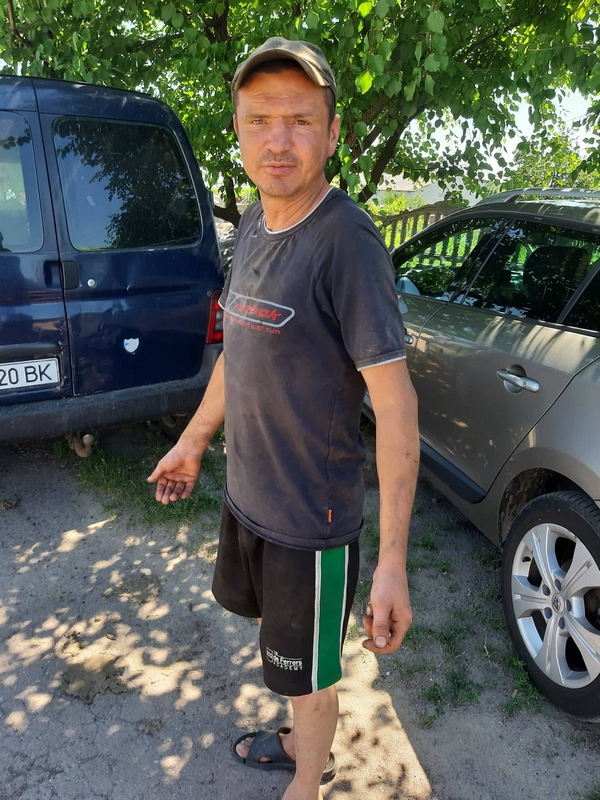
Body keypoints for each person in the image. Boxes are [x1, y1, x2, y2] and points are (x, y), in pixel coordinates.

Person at [148, 37, 419, 800]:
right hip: (250, 502)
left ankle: (307, 780)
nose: (278, 139)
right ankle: (304, 740)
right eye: (260, 119)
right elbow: (239, 350)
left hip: (311, 523)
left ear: (332, 134)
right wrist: (193, 441)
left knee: (310, 674)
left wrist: (392, 562)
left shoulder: (346, 242)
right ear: (237, 130)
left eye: (299, 120)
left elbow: (396, 405)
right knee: (286, 657)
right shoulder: (253, 224)